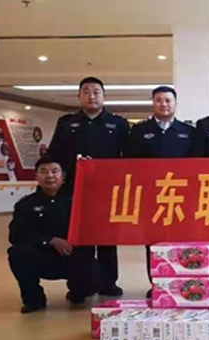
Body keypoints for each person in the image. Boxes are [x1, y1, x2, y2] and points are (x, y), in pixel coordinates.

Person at [48, 76, 128, 297]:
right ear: (79, 96)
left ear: (104, 96)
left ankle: (109, 282)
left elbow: (127, 158)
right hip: (75, 190)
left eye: (96, 92)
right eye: (86, 92)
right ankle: (79, 285)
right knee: (79, 238)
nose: (91, 96)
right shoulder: (66, 123)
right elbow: (54, 156)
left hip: (108, 191)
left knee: (107, 239)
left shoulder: (118, 124)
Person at [125, 85, 194, 298]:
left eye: (168, 100)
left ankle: (181, 281)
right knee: (153, 241)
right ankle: (156, 282)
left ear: (175, 103)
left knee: (181, 240)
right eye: (159, 100)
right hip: (151, 197)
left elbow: (198, 165)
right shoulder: (139, 131)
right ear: (153, 103)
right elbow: (129, 163)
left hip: (181, 197)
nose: (163, 104)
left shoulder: (188, 131)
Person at [7, 157, 95, 313]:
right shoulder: (25, 205)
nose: (49, 176)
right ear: (36, 176)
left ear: (63, 176)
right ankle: (34, 300)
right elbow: (16, 235)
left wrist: (91, 168)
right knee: (17, 253)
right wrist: (49, 240)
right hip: (41, 256)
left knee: (98, 276)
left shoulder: (77, 201)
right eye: (44, 172)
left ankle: (78, 291)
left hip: (73, 256)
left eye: (55, 171)